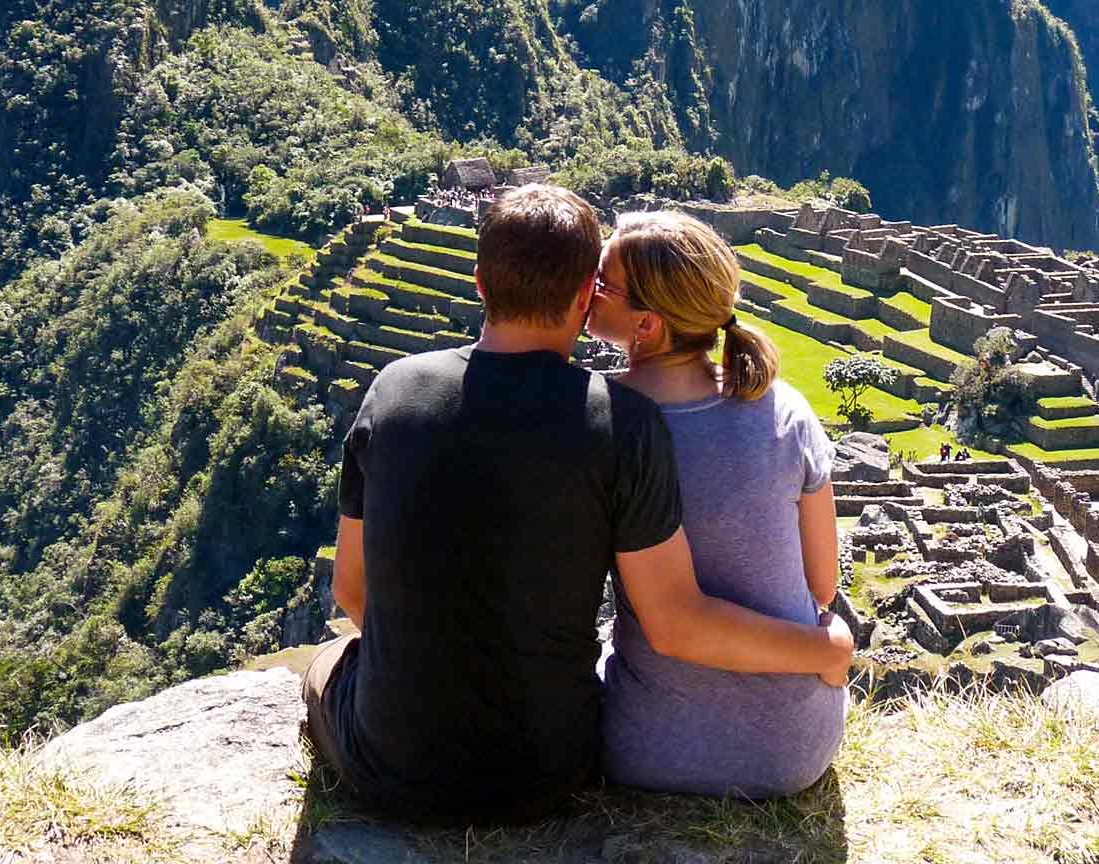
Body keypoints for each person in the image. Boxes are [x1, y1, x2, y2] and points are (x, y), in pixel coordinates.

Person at [300, 186, 852, 823]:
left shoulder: (394, 390)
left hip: (403, 769)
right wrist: (828, 649)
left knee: (327, 662)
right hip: (556, 769)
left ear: (480, 282)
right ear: (582, 293)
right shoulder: (627, 423)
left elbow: (351, 590)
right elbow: (779, 591)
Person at [589, 210, 848, 797]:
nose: (589, 291)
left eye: (603, 284)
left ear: (647, 325)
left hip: (652, 750)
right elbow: (824, 584)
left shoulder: (601, 422)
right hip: (796, 751)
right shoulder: (785, 412)